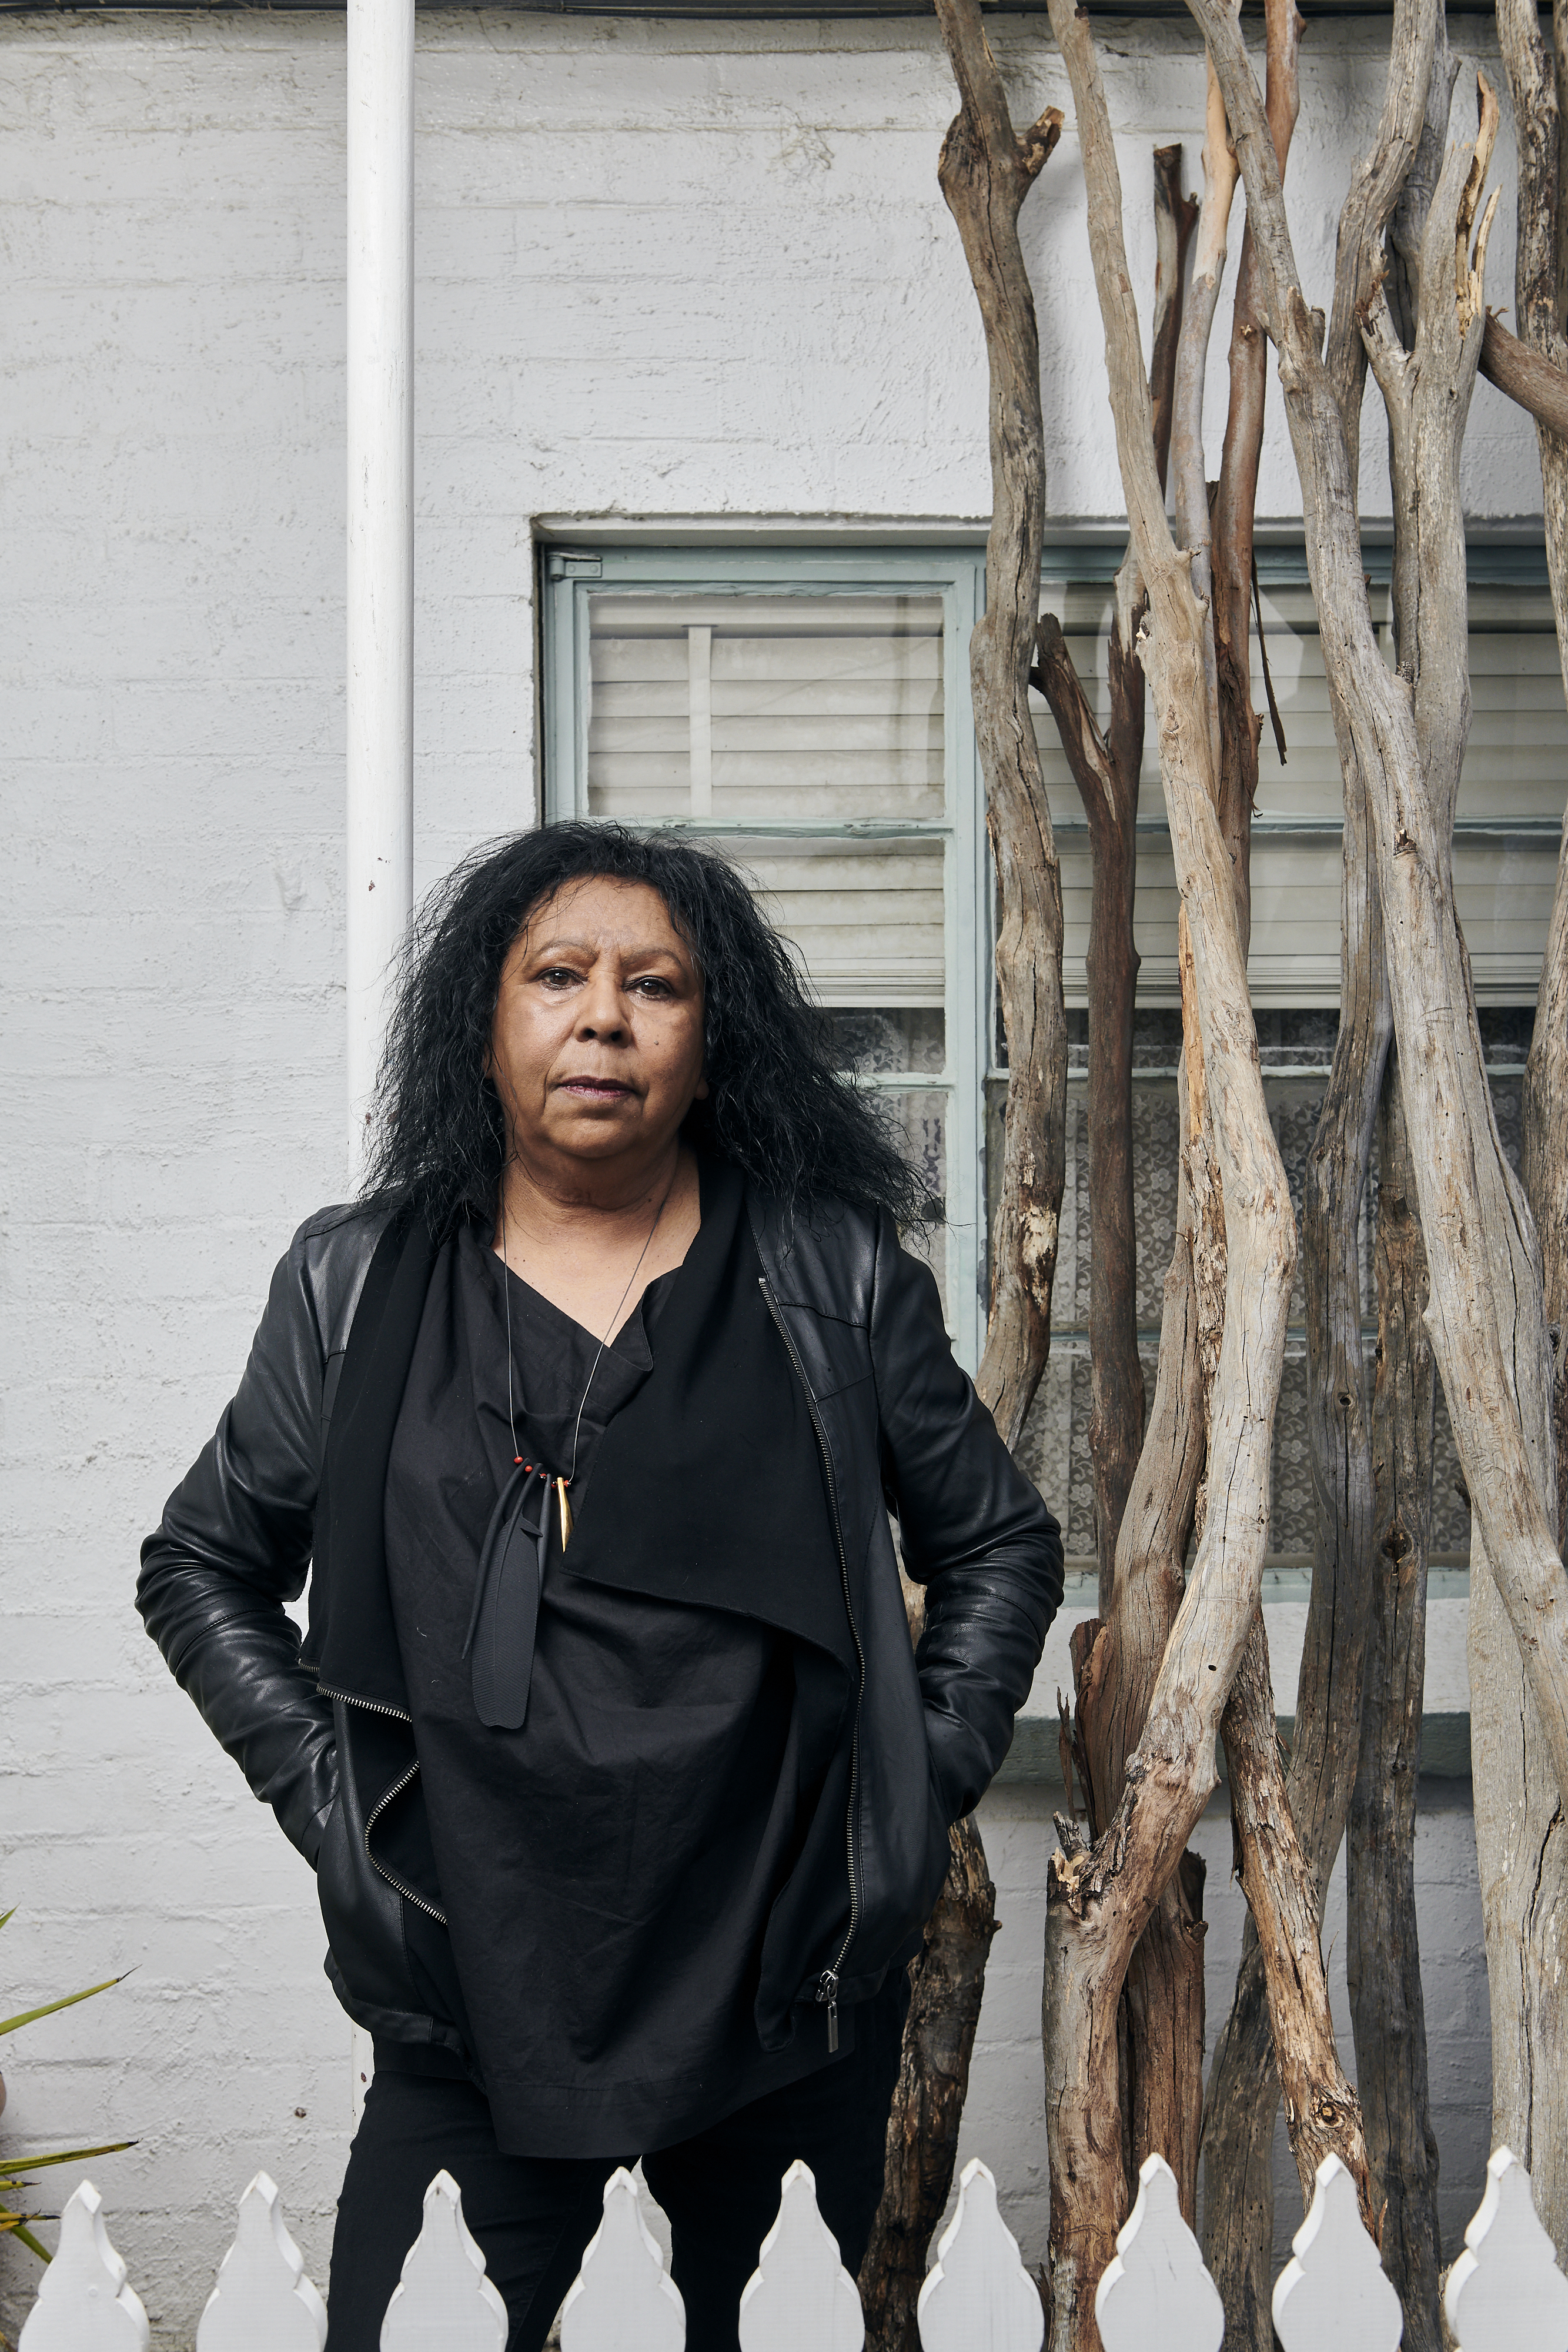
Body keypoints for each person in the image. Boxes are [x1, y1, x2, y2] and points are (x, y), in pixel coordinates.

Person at [137, 822, 1063, 2352]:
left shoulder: (827, 1275)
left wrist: (911, 1779)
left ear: (716, 1039)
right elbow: (204, 1561)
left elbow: (997, 1543)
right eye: (555, 976)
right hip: (464, 1968)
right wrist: (326, 1795)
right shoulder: (354, 1281)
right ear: (483, 1023)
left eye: (656, 986)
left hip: (776, 1990)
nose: (603, 1017)